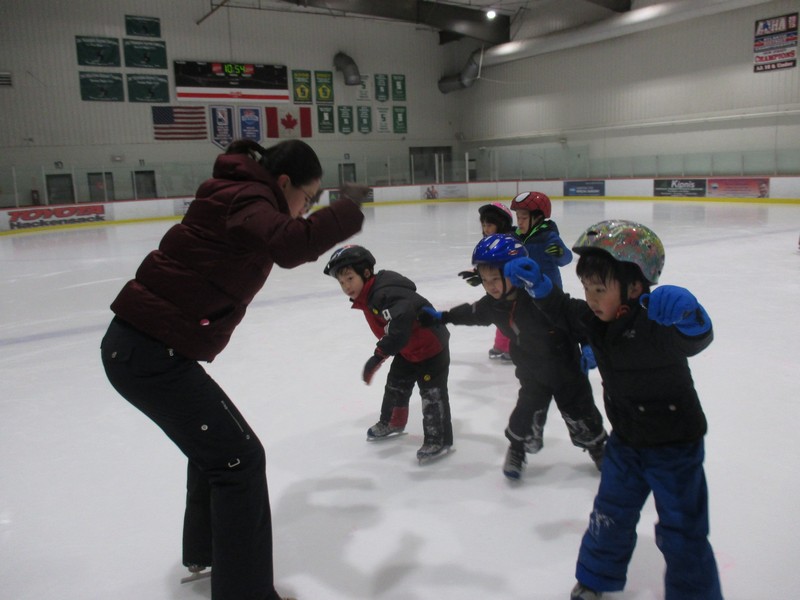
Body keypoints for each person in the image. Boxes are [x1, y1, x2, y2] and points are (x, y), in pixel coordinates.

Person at [100, 138, 367, 600]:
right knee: (239, 460)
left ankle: (207, 550)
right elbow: (289, 245)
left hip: (148, 349)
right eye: (309, 198)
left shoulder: (240, 192)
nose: (306, 209)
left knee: (220, 451)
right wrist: (346, 210)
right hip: (148, 353)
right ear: (284, 183)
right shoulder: (248, 198)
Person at [501, 220, 722, 600]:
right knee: (609, 514)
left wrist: (691, 316)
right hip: (627, 444)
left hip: (676, 448)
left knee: (683, 529)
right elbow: (562, 309)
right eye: (586, 287)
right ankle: (595, 578)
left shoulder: (658, 322)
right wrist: (539, 285)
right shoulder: (595, 320)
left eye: (599, 289)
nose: (589, 297)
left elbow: (694, 339)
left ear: (635, 287)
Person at [421, 234, 607, 480]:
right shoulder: (493, 305)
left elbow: (573, 318)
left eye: (496, 278)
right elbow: (472, 313)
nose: (491, 286)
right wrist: (442, 316)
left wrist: (588, 345)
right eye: (485, 280)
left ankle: (598, 448)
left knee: (581, 412)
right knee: (524, 414)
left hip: (567, 369)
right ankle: (517, 449)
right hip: (532, 373)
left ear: (515, 273)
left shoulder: (539, 297)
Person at [324, 245, 454, 464]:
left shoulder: (384, 294)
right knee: (396, 384)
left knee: (431, 394)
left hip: (431, 348)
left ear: (366, 274)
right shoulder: (370, 295)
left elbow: (400, 326)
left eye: (349, 278)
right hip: (408, 349)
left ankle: (439, 439)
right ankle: (393, 421)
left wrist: (378, 356)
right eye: (341, 282)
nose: (346, 286)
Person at [457, 201, 515, 361]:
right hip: (496, 287)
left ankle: (512, 346)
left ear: (501, 224)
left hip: (510, 289)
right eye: (483, 225)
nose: (486, 229)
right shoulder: (489, 243)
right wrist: (477, 274)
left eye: (489, 225)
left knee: (509, 317)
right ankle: (502, 345)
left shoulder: (511, 241)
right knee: (499, 315)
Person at [510, 191, 572, 289]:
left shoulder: (547, 237)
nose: (520, 222)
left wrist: (561, 253)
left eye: (524, 218)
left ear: (538, 218)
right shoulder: (515, 237)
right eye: (518, 218)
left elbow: (567, 259)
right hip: (525, 292)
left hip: (549, 292)